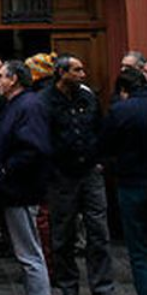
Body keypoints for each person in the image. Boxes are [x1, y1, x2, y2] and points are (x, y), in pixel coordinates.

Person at [41, 55, 114, 295]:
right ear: (62, 73)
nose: (83, 74)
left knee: (99, 232)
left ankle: (102, 286)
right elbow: (42, 136)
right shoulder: (45, 101)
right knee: (63, 234)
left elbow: (100, 128)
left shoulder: (87, 97)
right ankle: (68, 286)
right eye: (77, 70)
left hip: (90, 171)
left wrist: (101, 160)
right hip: (62, 175)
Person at [0, 59, 52, 295]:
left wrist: (8, 169)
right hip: (15, 190)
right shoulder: (14, 104)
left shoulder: (28, 105)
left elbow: (35, 148)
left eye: (1, 76)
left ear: (13, 79)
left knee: (29, 255)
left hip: (22, 190)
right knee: (27, 253)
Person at [99, 68, 147, 295]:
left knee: (138, 249)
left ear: (123, 90)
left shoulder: (120, 110)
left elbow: (105, 145)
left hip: (131, 182)